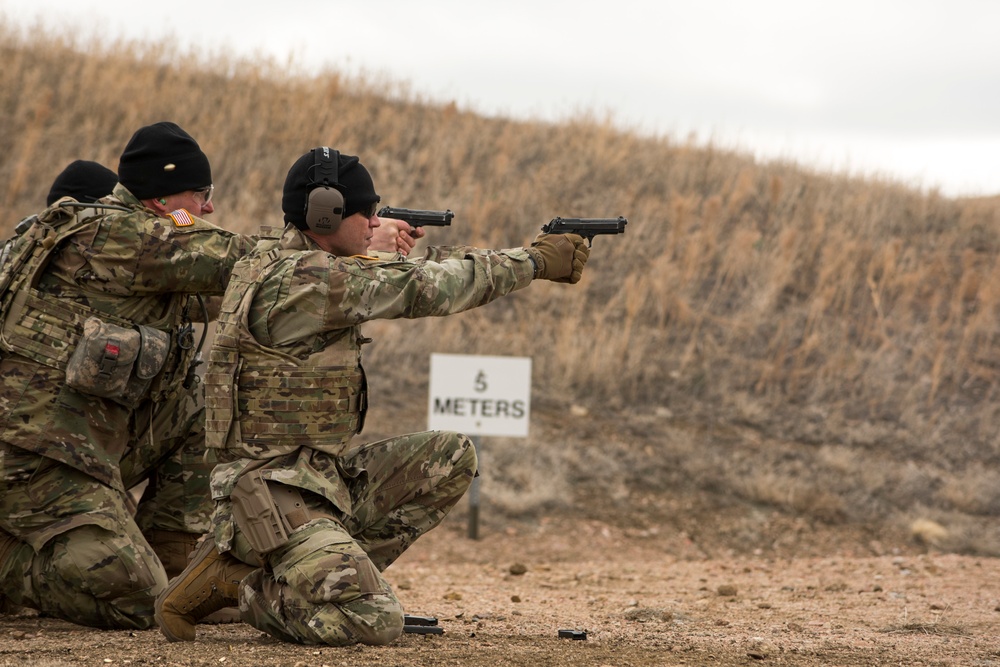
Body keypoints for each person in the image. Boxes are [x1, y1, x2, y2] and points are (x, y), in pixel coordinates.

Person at [154, 146, 590, 645]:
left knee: (449, 457)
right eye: (368, 212)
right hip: (272, 494)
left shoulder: (281, 258)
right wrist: (534, 260)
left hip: (315, 481)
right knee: (373, 620)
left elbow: (375, 275)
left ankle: (309, 573)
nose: (375, 222)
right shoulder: (308, 279)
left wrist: (372, 246)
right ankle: (245, 585)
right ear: (326, 214)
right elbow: (429, 286)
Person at [0, 121, 257, 630]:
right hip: (37, 459)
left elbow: (222, 291)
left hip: (85, 444)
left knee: (205, 406)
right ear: (164, 199)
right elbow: (248, 259)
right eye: (200, 195)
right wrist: (339, 240)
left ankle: (175, 550)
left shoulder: (151, 242)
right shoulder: (120, 234)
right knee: (141, 599)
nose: (207, 207)